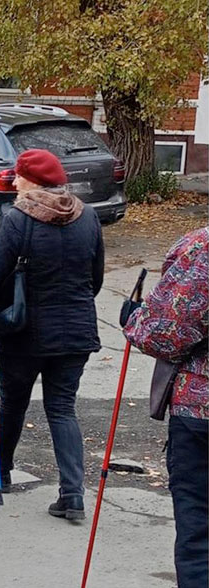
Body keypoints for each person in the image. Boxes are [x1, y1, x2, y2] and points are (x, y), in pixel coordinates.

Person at [0, 148, 104, 521]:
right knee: (62, 408)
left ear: (33, 181)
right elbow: (95, 279)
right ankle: (73, 494)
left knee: (13, 402)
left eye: (18, 175)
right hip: (76, 329)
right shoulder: (88, 217)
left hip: (24, 331)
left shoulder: (18, 219)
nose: (14, 181)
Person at [124, 228, 207, 588]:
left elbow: (166, 332)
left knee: (200, 537)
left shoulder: (202, 248)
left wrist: (134, 318)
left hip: (202, 410)